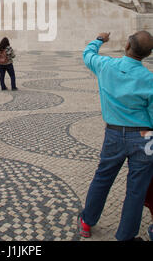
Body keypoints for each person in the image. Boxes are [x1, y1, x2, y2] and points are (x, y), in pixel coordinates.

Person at [78, 31, 153, 241]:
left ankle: (87, 221)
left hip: (113, 133)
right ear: (147, 54)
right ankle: (126, 235)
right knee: (136, 189)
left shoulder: (106, 65)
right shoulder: (150, 79)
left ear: (128, 46)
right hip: (145, 136)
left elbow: (87, 54)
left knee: (103, 178)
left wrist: (99, 39)